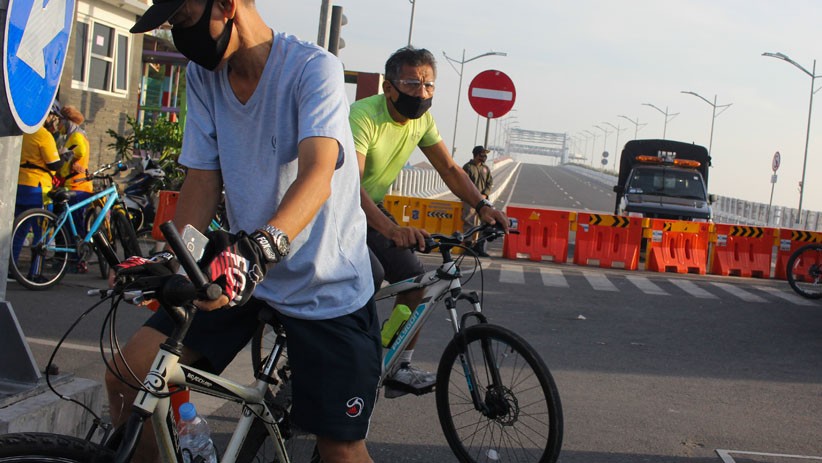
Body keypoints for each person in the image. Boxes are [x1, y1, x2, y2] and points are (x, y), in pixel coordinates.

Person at [111, 0, 380, 462]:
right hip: (240, 276)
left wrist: (260, 249)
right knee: (128, 373)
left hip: (323, 284)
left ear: (227, 6)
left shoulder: (312, 69)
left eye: (183, 20)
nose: (180, 35)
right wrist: (175, 260)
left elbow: (318, 175)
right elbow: (202, 180)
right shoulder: (205, 77)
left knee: (339, 447)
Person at [349, 46, 508, 399]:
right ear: (389, 87)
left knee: (414, 282)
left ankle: (395, 361)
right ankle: (344, 357)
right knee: (368, 277)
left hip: (371, 206)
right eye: (411, 83)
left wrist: (483, 206)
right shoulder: (363, 116)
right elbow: (349, 185)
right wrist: (392, 229)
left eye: (429, 85)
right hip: (340, 207)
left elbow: (450, 169)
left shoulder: (421, 121)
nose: (421, 93)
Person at [12, 105, 64, 263]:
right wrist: (63, 156)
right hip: (38, 188)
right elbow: (54, 164)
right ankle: (35, 272)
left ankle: (10, 267)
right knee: (41, 232)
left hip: (19, 184)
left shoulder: (22, 131)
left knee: (18, 230)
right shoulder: (43, 135)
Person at [56, 105, 94, 271]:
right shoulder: (76, 134)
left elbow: (80, 150)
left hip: (78, 187)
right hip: (74, 185)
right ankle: (70, 258)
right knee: (69, 223)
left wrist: (67, 155)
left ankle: (76, 260)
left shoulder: (77, 136)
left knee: (74, 225)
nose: (59, 125)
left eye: (60, 122)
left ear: (67, 121)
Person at [462, 145, 494, 257]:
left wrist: (485, 194)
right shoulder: (468, 167)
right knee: (469, 222)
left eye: (485, 154)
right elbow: (464, 183)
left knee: (486, 223)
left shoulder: (485, 168)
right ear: (476, 154)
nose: (485, 156)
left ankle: (480, 246)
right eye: (482, 154)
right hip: (470, 199)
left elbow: (490, 183)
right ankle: (468, 246)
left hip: (483, 200)